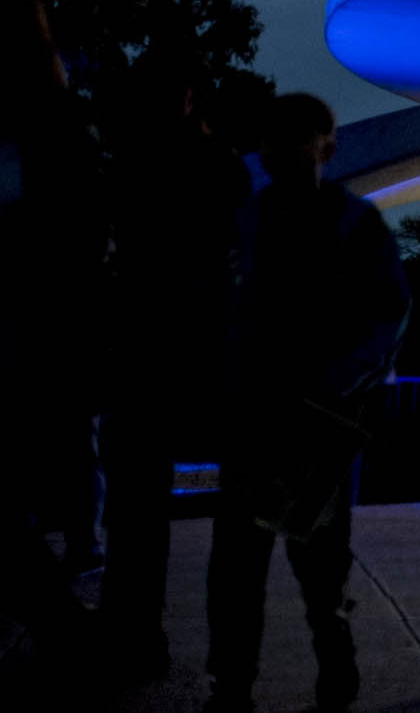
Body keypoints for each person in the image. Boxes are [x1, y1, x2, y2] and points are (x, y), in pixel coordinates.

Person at [203, 95, 410, 713]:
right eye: (277, 138)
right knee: (256, 563)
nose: (285, 150)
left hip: (308, 420)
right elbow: (388, 316)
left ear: (325, 144)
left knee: (297, 563)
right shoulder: (288, 221)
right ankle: (255, 680)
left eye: (297, 137)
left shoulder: (325, 223)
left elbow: (387, 315)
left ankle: (304, 673)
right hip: (287, 416)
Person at [98, 47, 251, 683]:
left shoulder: (126, 167)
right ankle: (222, 631)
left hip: (142, 344)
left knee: (137, 496)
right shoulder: (222, 168)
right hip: (202, 342)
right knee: (222, 489)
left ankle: (133, 627)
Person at [0, 0, 102, 677]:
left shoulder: (54, 133)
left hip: (33, 327)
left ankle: (56, 615)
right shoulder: (62, 129)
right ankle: (58, 614)